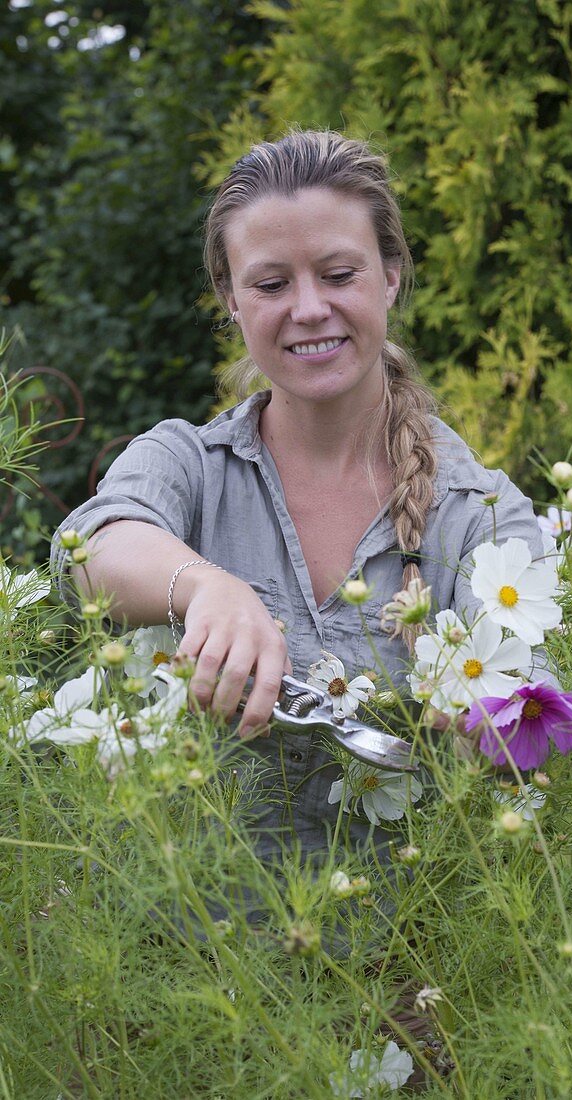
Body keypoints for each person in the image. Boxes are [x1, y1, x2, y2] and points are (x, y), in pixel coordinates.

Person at [51, 129, 545, 870]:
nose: (309, 309)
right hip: (201, 968)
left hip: (425, 967)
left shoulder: (481, 510)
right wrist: (206, 587)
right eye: (272, 284)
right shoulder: (186, 462)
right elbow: (87, 550)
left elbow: (529, 709)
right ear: (230, 299)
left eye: (339, 273)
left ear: (391, 277)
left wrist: (493, 720)